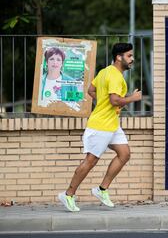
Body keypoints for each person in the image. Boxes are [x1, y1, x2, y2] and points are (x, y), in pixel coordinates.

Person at [58, 43, 142, 212]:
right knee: (91, 161)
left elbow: (91, 90)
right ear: (119, 57)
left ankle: (101, 189)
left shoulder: (105, 72)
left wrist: (105, 102)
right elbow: (115, 100)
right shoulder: (116, 77)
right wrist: (132, 98)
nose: (132, 59)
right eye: (129, 56)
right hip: (101, 126)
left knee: (124, 154)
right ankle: (68, 194)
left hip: (112, 124)